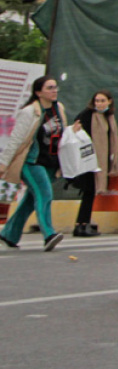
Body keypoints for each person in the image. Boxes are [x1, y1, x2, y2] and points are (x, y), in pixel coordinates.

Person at [0, 76, 68, 251]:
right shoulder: (30, 112)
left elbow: (62, 134)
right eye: (49, 88)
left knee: (31, 200)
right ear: (38, 92)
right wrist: (3, 163)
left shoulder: (58, 108)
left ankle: (9, 233)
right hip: (31, 162)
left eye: (55, 87)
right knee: (45, 194)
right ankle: (49, 234)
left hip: (50, 163)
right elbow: (16, 139)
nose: (54, 90)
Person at [70, 90, 118, 238]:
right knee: (88, 191)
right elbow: (78, 133)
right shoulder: (87, 115)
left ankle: (82, 223)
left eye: (102, 101)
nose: (99, 104)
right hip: (88, 159)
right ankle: (81, 225)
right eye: (97, 101)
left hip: (100, 160)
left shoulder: (108, 116)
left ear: (109, 101)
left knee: (90, 193)